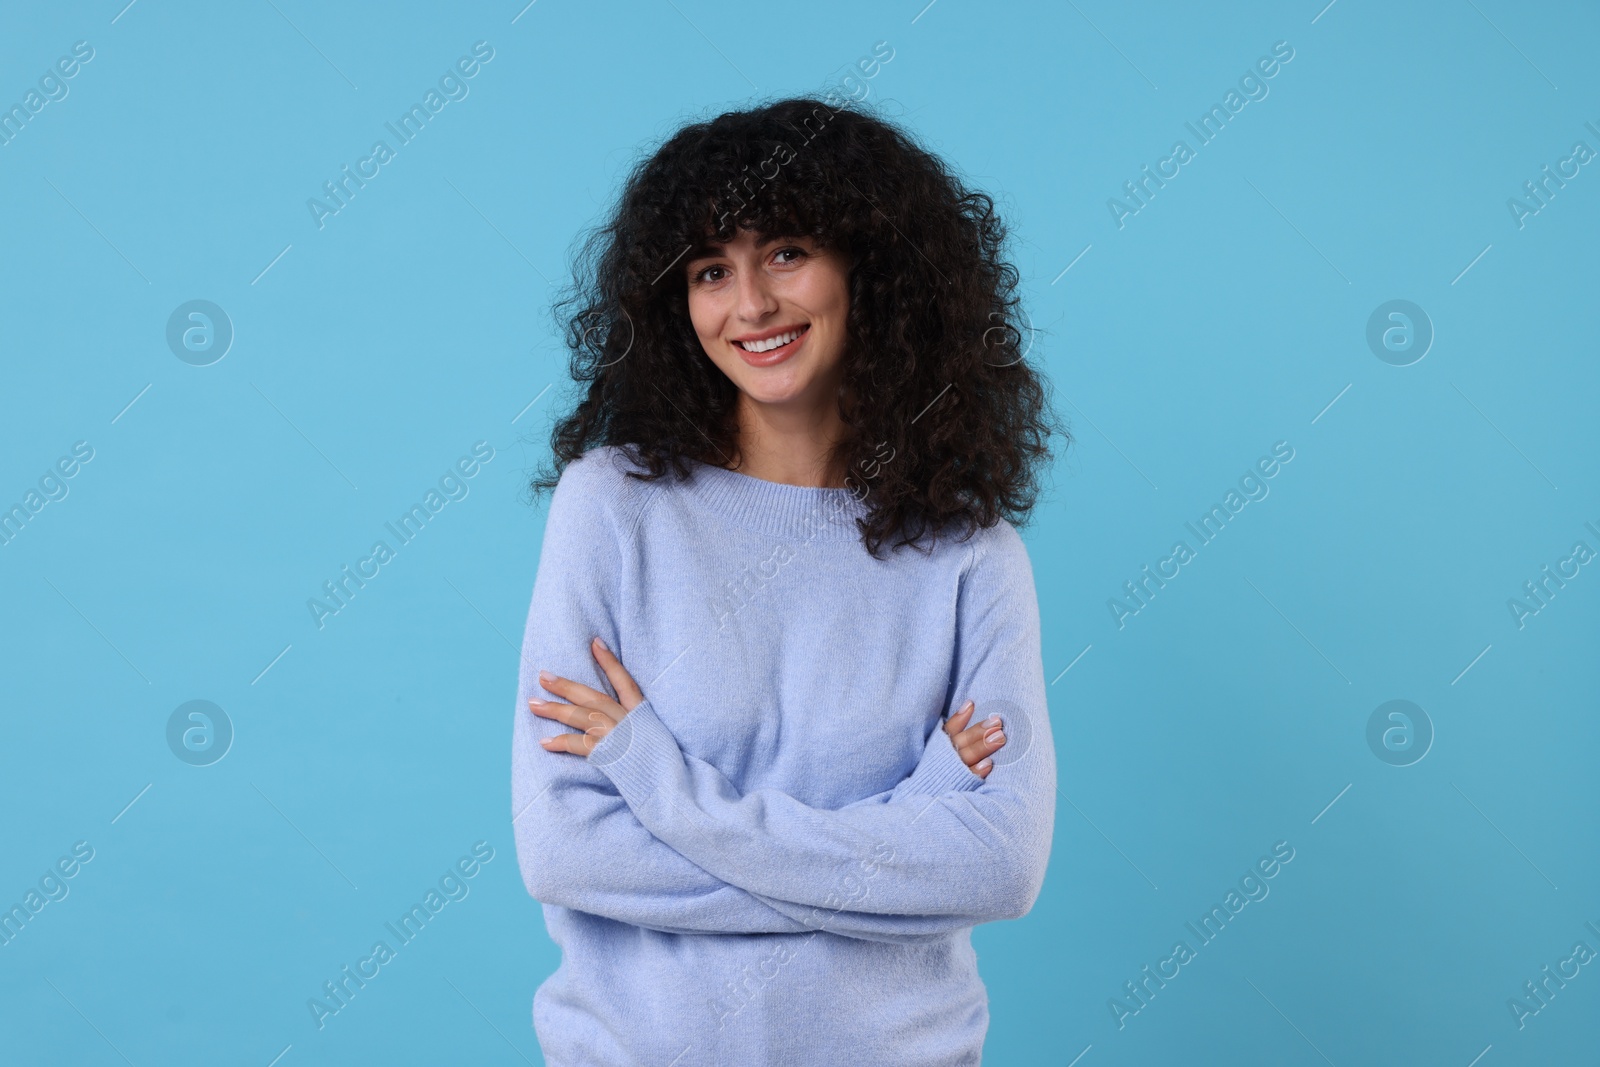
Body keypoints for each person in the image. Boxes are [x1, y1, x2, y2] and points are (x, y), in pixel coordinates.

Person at [511, 95, 1064, 1066]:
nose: (751, 304)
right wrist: (899, 839)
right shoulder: (610, 509)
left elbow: (997, 866)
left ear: (870, 267)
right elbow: (569, 851)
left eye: (787, 252)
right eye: (710, 269)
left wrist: (660, 783)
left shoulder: (971, 555)